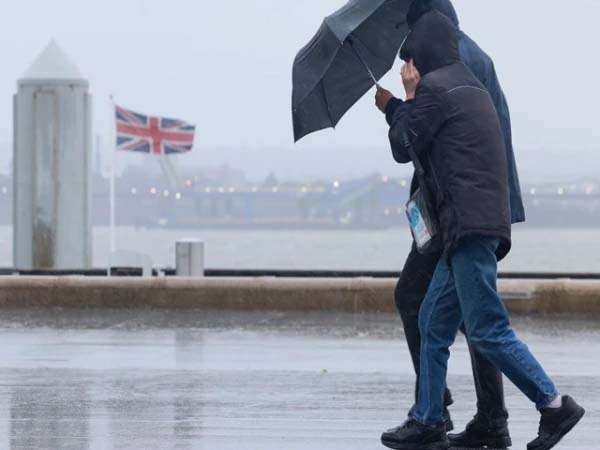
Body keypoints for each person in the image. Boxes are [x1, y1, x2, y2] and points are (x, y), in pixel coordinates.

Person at [375, 9, 584, 450]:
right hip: (473, 220)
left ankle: (551, 406)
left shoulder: (438, 83)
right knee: (434, 318)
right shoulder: (467, 76)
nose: (407, 59)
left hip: (465, 224)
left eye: (410, 49)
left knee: (486, 326)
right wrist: (402, 104)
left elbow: (407, 143)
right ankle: (431, 416)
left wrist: (404, 100)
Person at [375, 0, 524, 448]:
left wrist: (400, 108)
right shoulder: (460, 55)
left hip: (460, 209)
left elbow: (430, 140)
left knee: (428, 299)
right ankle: (480, 417)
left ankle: (436, 411)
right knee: (468, 308)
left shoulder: (452, 61)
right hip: (470, 206)